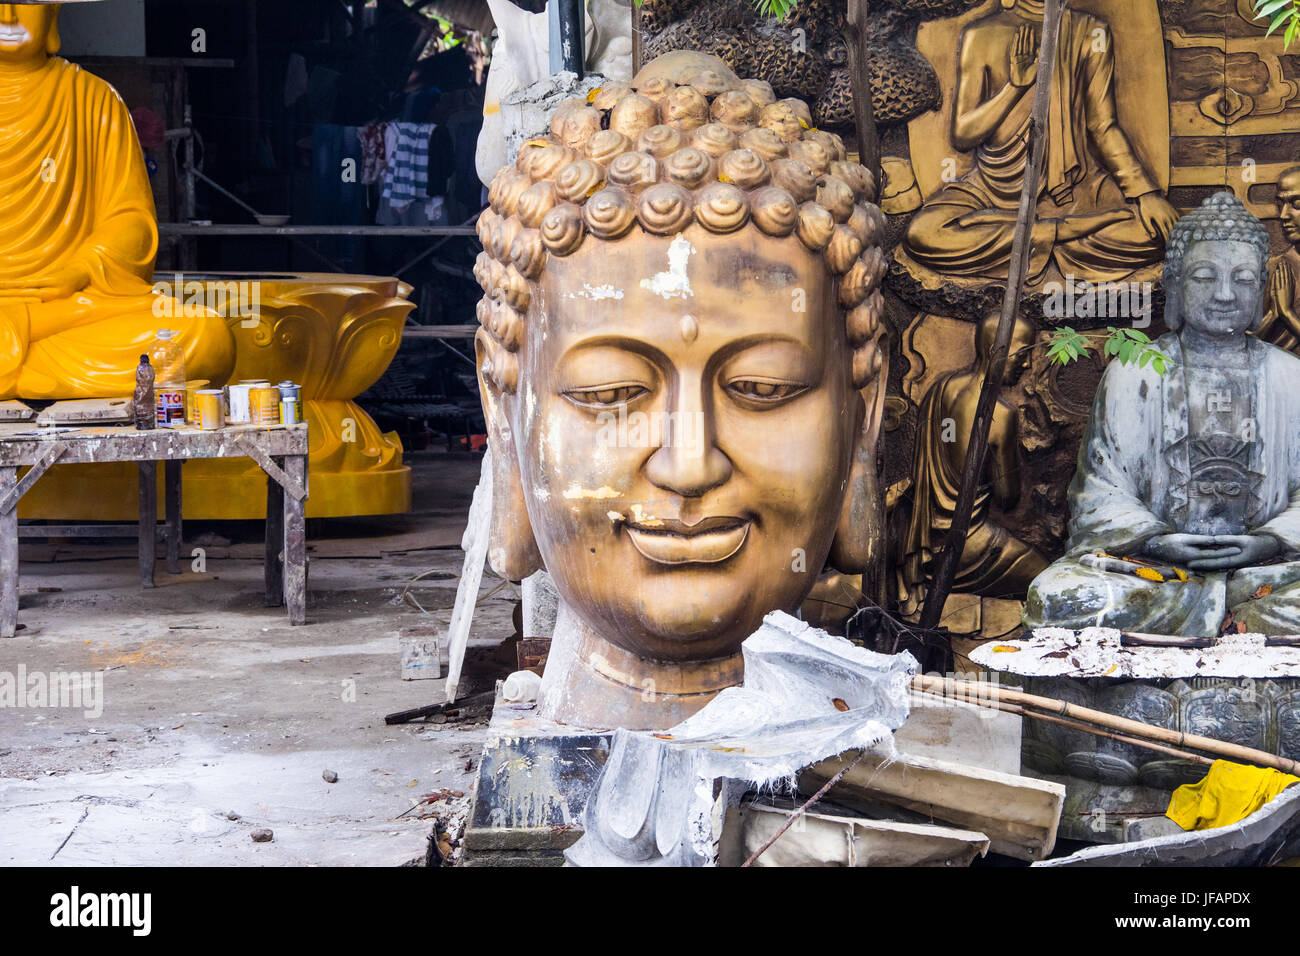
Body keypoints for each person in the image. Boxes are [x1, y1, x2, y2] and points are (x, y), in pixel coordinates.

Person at [1024, 192, 1300, 637]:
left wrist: (1269, 542)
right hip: (1157, 575)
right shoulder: (1133, 372)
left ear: (1262, 289)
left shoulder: (1293, 376)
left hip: (1268, 578)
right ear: (1174, 285)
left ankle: (1236, 622)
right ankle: (1226, 626)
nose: (1225, 294)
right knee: (1059, 598)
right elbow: (1099, 493)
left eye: (1244, 278)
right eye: (1205, 277)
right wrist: (1155, 540)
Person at [0, 3, 233, 400]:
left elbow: (131, 223)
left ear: (54, 11)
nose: (7, 15)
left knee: (205, 338)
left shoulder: (94, 99)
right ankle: (28, 360)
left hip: (72, 308)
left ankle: (20, 364)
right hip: (44, 316)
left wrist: (82, 267)